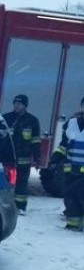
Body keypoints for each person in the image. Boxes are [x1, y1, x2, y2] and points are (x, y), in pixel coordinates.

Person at [3, 94, 41, 213]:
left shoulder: (32, 121)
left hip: (24, 159)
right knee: (4, 182)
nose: (16, 106)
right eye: (15, 103)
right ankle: (4, 205)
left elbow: (35, 141)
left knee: (21, 183)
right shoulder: (6, 118)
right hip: (7, 158)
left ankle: (20, 207)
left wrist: (37, 157)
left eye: (19, 104)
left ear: (25, 106)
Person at [51, 96, 84, 231]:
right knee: (70, 196)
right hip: (71, 169)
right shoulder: (72, 123)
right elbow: (64, 145)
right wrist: (55, 158)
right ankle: (73, 223)